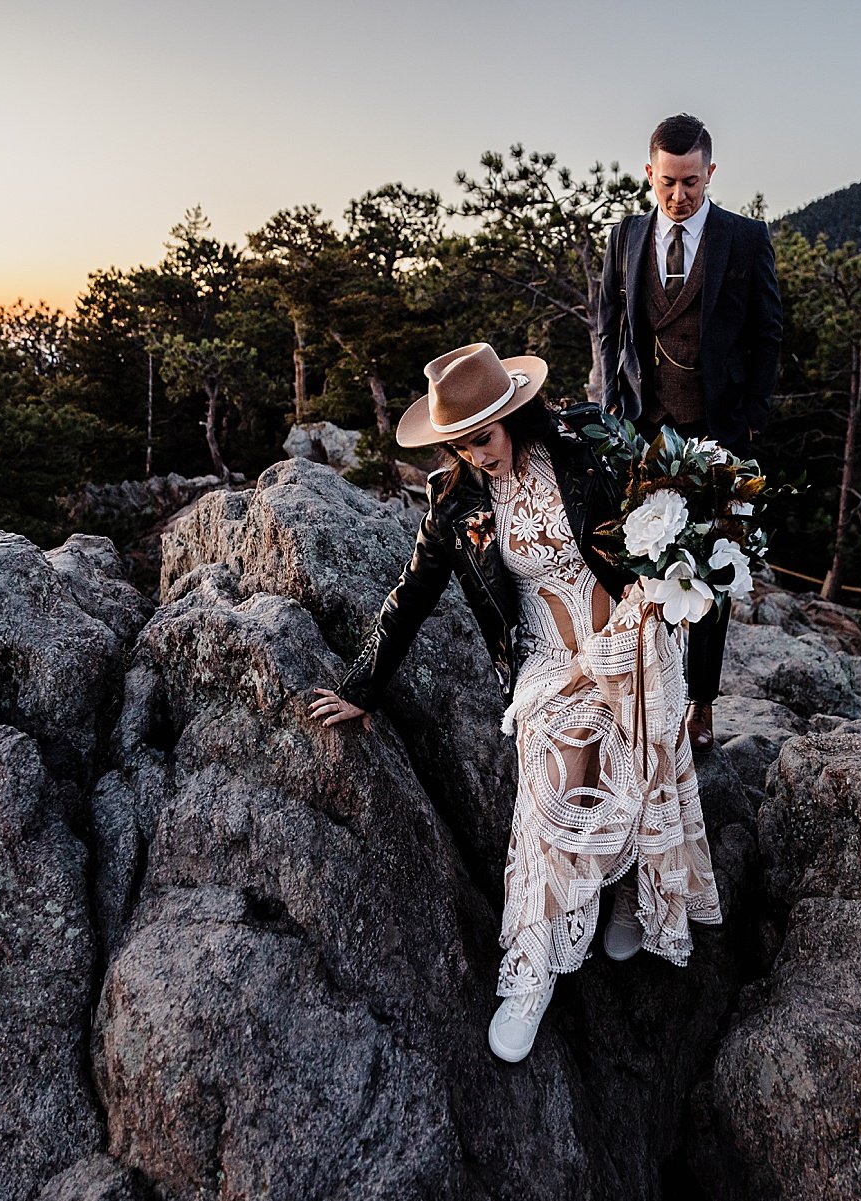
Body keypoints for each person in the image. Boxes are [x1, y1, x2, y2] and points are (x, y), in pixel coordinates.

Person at [308, 342, 722, 1064]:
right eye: (459, 443)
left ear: (513, 414)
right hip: (547, 663)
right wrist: (360, 687)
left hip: (627, 635)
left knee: (639, 740)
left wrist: (685, 631)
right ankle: (529, 971)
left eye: (484, 437)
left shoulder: (586, 444)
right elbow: (409, 598)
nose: (476, 453)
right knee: (559, 785)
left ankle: (629, 889)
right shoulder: (456, 504)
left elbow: (673, 514)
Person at [594, 112, 783, 754]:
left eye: (692, 183)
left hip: (720, 432)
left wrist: (752, 417)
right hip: (644, 433)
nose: (680, 196)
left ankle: (700, 706)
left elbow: (768, 333)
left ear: (711, 173)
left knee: (710, 570)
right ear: (650, 173)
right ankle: (653, 694)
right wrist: (611, 408)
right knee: (645, 567)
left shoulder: (745, 239)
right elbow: (607, 329)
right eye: (668, 182)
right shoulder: (624, 238)